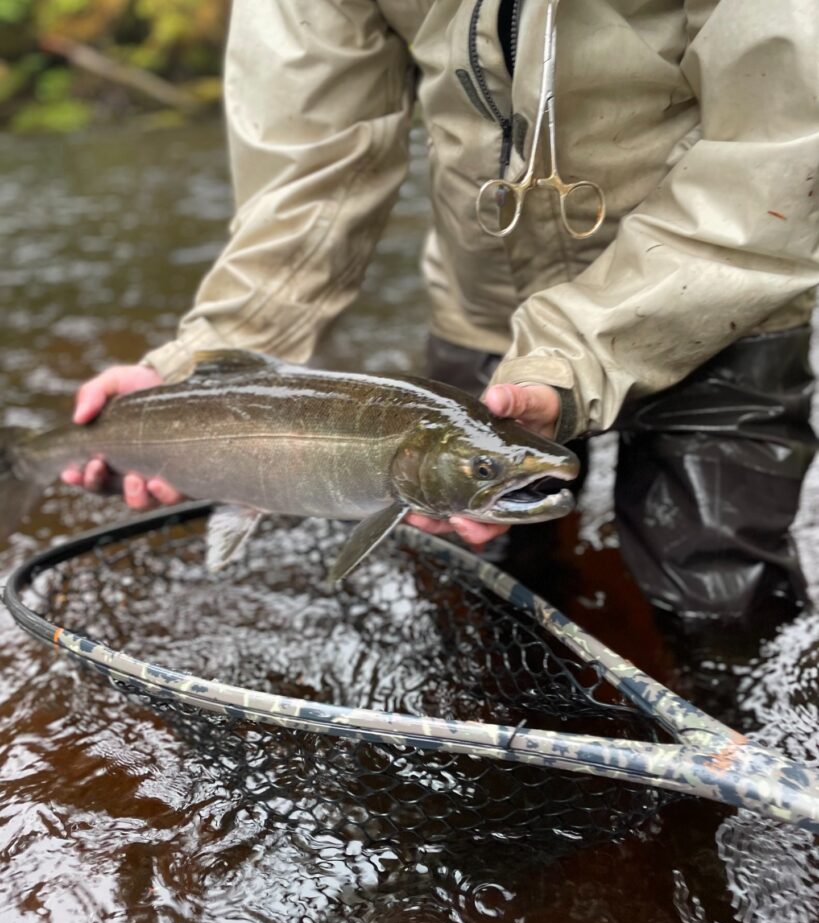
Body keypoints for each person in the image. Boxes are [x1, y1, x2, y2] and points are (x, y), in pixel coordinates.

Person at [64, 0, 819, 625]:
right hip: (483, 308)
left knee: (724, 611)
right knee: (475, 602)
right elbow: (309, 172)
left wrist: (573, 357)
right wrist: (201, 367)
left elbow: (784, 150)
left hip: (727, 300)